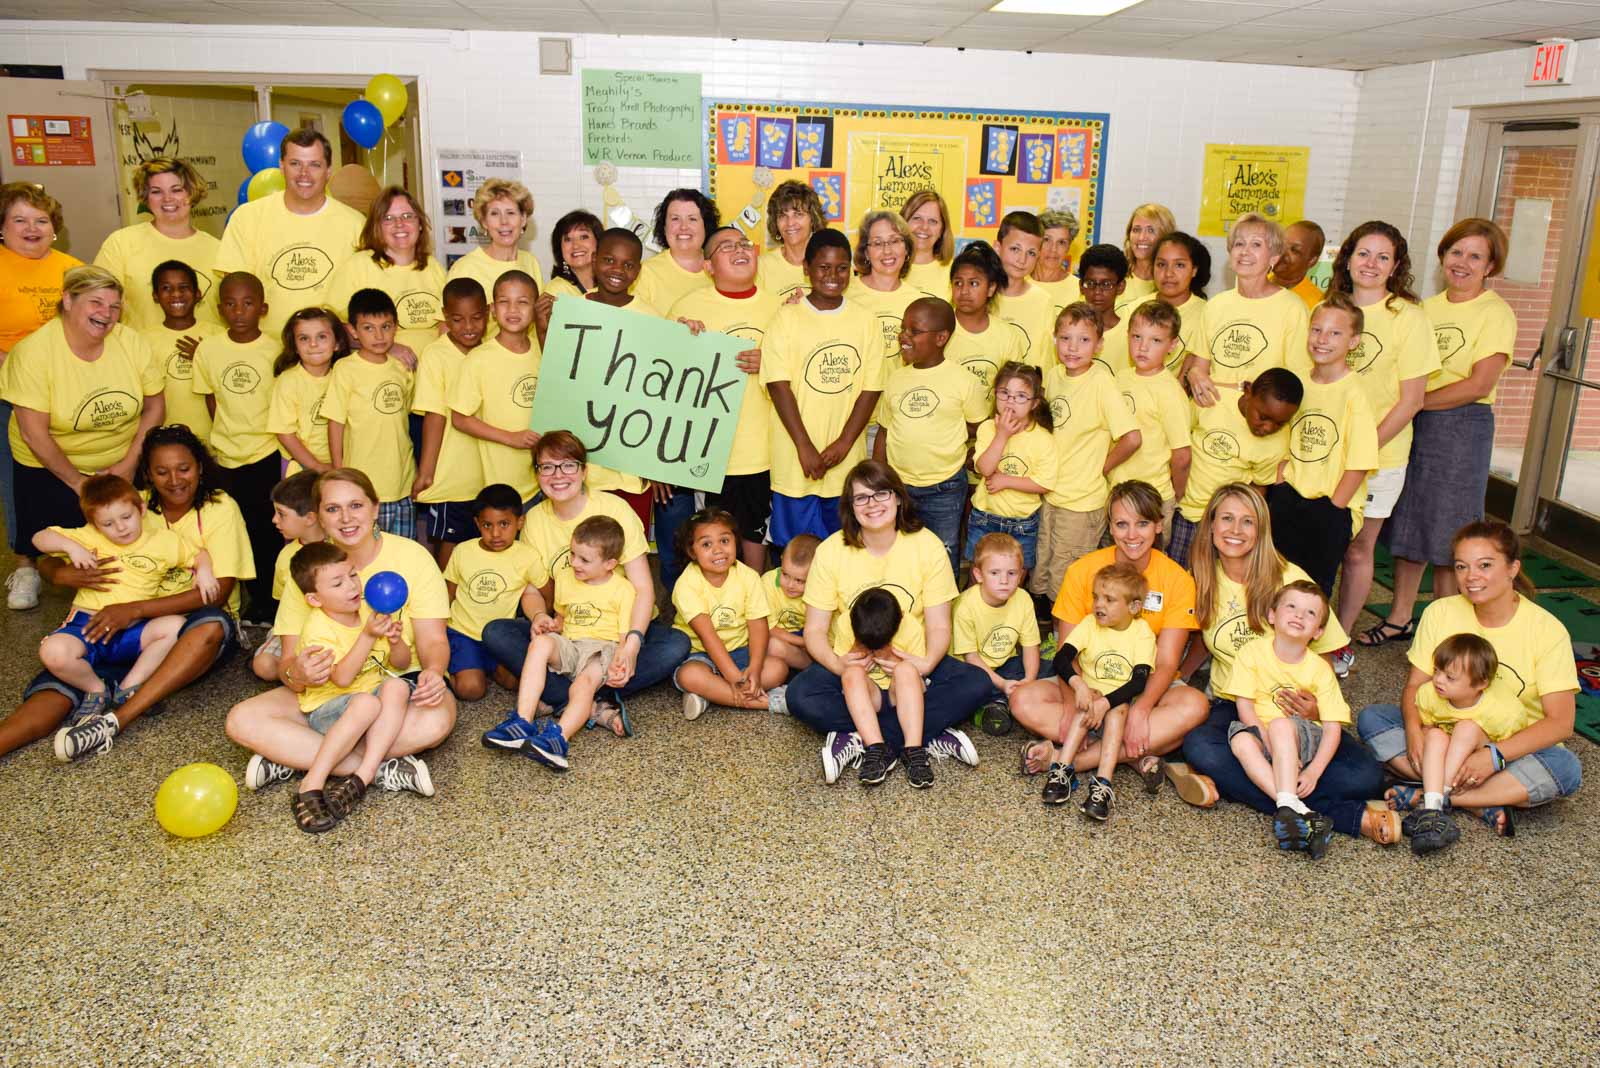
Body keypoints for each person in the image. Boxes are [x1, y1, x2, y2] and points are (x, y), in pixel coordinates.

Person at [9, 425, 251, 763]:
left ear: (200, 466)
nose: (175, 480)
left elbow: (217, 592)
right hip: (106, 622)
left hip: (179, 623)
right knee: (53, 690)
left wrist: (134, 610)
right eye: (161, 471)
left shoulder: (219, 507)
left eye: (184, 468)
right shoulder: (127, 503)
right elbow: (51, 553)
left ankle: (118, 718)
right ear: (147, 475)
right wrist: (63, 574)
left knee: (210, 626)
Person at [1178, 482, 1396, 845]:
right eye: (1227, 519)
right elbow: (1204, 635)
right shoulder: (1201, 577)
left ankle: (1268, 793)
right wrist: (1181, 678)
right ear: (1211, 526)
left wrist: (1314, 705)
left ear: (1261, 530)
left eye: (1247, 522)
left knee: (1366, 776)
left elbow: (1324, 650)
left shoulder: (1290, 580)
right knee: (1201, 746)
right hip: (1236, 703)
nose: (1235, 530)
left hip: (1292, 707)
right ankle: (1342, 815)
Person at [225, 467, 454, 797]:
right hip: (332, 693)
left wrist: (434, 672)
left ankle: (295, 756)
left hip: (398, 683)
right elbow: (287, 664)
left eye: (356, 506)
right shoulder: (307, 568)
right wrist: (297, 672)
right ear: (318, 515)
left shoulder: (413, 557)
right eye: (333, 509)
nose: (346, 518)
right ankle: (375, 768)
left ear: (375, 509)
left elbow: (433, 641)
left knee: (435, 722)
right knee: (241, 720)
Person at [1358, 520, 1581, 839]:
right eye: (1461, 566)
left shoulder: (1547, 630)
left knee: (1566, 768)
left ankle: (1430, 797)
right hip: (1443, 735)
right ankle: (1478, 798)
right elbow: (1414, 687)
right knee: (1372, 719)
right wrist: (1413, 730)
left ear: (1512, 568)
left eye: (1485, 565)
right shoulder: (1440, 612)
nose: (1471, 577)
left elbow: (1560, 723)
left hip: (1512, 747)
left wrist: (1494, 755)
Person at [789, 460, 988, 785]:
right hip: (855, 667)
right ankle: (921, 736)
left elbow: (939, 627)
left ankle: (867, 742)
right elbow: (814, 631)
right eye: (862, 498)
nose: (873, 504)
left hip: (910, 664)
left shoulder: (927, 546)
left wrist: (924, 664)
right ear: (850, 508)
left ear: (898, 497)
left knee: (976, 683)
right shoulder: (831, 551)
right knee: (801, 697)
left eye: (881, 493)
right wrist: (839, 665)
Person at [1367, 219, 1516, 648]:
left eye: (1475, 256)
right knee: (1411, 522)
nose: (1462, 263)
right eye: (1456, 252)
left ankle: (1447, 631)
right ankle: (1400, 618)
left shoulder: (1495, 313)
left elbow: (1478, 384)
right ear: (1442, 257)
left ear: (1490, 267)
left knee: (1452, 530)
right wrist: (1407, 406)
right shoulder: (1424, 310)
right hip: (1416, 424)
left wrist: (1413, 402)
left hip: (1462, 426)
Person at [1013, 481, 1210, 794]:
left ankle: (1066, 760)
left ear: (1159, 525)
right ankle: (1133, 754)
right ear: (1110, 526)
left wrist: (1142, 709)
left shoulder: (1177, 579)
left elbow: (1168, 660)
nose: (1132, 535)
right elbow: (1068, 650)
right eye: (1122, 524)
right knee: (1022, 701)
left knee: (1196, 706)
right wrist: (1070, 706)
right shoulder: (1083, 570)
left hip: (1143, 682)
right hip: (1090, 682)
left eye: (1142, 523)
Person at [480, 432, 690, 715]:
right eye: (547, 467)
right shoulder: (534, 521)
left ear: (584, 471)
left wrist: (631, 646)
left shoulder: (614, 508)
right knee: (497, 632)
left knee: (676, 645)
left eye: (568, 465)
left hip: (619, 631)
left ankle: (563, 696)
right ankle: (591, 701)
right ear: (537, 474)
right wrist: (539, 616)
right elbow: (532, 590)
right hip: (569, 632)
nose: (558, 475)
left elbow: (642, 587)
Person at [4, 266, 164, 614]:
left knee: (129, 534)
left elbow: (155, 407)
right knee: (49, 545)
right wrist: (79, 484)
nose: (106, 314)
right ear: (67, 300)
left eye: (114, 306)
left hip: (119, 457)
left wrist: (129, 463)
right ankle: (27, 570)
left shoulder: (131, 342)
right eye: (96, 302)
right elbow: (34, 432)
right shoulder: (33, 353)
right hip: (50, 461)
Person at [1322, 222, 1437, 673]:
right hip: (1322, 452)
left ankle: (1340, 638)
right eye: (1363, 253)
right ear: (1347, 258)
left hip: (1380, 456)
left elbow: (1412, 400)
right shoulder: (1331, 309)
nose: (1370, 264)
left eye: (1382, 257)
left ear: (1396, 267)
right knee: (1318, 543)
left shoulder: (1408, 318)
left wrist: (1361, 450)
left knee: (1356, 548)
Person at [33, 474, 213, 751]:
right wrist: (72, 547)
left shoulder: (163, 541)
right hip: (86, 624)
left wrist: (205, 573)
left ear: (141, 509)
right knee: (52, 652)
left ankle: (130, 687)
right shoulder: (88, 537)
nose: (120, 528)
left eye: (126, 517)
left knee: (176, 626)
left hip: (134, 628)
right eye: (107, 523)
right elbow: (39, 538)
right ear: (95, 524)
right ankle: (96, 689)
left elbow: (198, 554)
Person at [666, 227, 781, 573]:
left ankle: (755, 604)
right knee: (713, 537)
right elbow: (666, 380)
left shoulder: (781, 308)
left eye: (744, 243)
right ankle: (717, 607)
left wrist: (771, 363)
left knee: (756, 534)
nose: (739, 250)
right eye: (725, 247)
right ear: (708, 266)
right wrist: (683, 342)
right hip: (710, 451)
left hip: (763, 448)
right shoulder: (686, 310)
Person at [761, 229, 883, 546]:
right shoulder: (785, 319)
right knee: (793, 548)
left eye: (841, 267)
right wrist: (804, 446)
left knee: (843, 548)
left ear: (852, 269)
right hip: (794, 462)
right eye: (823, 267)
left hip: (845, 463)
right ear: (807, 268)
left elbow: (870, 390)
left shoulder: (866, 321)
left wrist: (844, 443)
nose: (832, 275)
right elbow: (778, 386)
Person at [286, 541, 414, 833]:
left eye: (353, 575)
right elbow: (342, 679)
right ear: (315, 599)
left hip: (368, 700)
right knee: (369, 703)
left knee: (397, 687)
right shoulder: (318, 628)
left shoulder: (372, 609)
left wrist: (395, 640)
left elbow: (402, 663)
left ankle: (363, 777)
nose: (351, 586)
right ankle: (311, 784)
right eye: (338, 583)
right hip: (328, 708)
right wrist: (368, 636)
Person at [1, 182, 83, 608]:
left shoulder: (72, 269)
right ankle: (26, 566)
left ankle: (80, 549)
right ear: (3, 227)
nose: (31, 228)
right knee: (20, 476)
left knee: (74, 465)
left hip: (70, 385)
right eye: (20, 220)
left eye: (41, 220)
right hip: (11, 390)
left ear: (55, 227)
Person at [1264, 293, 1378, 596]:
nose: (1322, 339)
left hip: (1329, 507)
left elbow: (1360, 462)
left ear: (1353, 342)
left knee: (1312, 590)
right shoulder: (1298, 383)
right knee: (1277, 580)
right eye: (1317, 329)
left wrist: (1333, 507)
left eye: (1335, 333)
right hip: (1289, 497)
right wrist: (1279, 486)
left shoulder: (1355, 394)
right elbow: (1283, 439)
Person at [1225, 580, 1346, 859]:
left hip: (1301, 737)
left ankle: (1292, 807)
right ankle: (1296, 810)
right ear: (1271, 615)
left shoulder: (1320, 670)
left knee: (1281, 724)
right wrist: (1268, 745)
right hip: (1262, 731)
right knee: (1241, 740)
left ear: (1318, 632)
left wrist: (1314, 770)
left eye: (1310, 613)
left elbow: (1332, 727)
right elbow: (1245, 706)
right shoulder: (1252, 652)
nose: (1299, 615)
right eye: (1291, 606)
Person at [1030, 303, 1140, 602]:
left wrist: (1101, 467)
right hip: (1050, 493)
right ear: (1054, 339)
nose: (1073, 347)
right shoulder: (1052, 376)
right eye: (1065, 338)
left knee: (1068, 576)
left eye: (1084, 340)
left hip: (1081, 502)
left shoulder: (1102, 383)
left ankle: (1063, 638)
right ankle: (1043, 631)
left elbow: (1131, 438)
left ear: (1099, 344)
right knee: (1044, 567)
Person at [508, 515, 637, 770]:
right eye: (573, 554)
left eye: (584, 560)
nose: (574, 563)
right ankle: (522, 721)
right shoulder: (567, 578)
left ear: (610, 563)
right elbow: (562, 617)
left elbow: (624, 638)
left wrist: (620, 662)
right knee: (540, 644)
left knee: (582, 686)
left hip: (601, 647)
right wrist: (551, 625)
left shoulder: (623, 589)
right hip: (571, 644)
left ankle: (558, 739)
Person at [872, 296, 987, 573]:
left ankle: (941, 610)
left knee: (943, 552)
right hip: (899, 487)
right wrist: (877, 476)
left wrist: (965, 444)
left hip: (944, 489)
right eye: (903, 329)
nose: (904, 336)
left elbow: (981, 426)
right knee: (900, 554)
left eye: (914, 331)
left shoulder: (962, 380)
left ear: (941, 338)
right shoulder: (896, 378)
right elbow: (885, 431)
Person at [213, 127, 363, 336]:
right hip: (266, 349)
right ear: (281, 167)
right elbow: (233, 292)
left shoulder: (356, 225)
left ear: (328, 170)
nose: (304, 174)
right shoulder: (246, 218)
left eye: (315, 165)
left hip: (333, 351)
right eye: (295, 164)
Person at [193, 271, 280, 624]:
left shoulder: (276, 349)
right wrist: (225, 435)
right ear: (219, 309)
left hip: (267, 451)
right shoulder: (209, 349)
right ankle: (244, 601)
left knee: (267, 531)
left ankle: (270, 603)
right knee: (234, 529)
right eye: (230, 304)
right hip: (227, 456)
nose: (239, 311)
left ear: (263, 308)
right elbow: (212, 400)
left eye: (247, 303)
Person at [1039, 562, 1157, 821]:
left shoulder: (1142, 633)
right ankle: (1062, 772)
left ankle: (1102, 785)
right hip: (1091, 700)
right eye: (1096, 597)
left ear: (1134, 607)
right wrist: (1079, 685)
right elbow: (1061, 660)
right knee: (1088, 701)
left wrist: (1106, 702)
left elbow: (1138, 682)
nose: (1098, 605)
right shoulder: (1089, 624)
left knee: (1116, 709)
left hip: (1119, 704)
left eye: (1109, 599)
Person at [1401, 633, 1529, 853]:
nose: (1438, 680)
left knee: (1467, 727)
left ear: (1480, 683)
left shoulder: (1503, 711)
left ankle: (1433, 797)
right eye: (1436, 671)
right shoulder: (1429, 693)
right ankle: (1436, 806)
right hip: (1447, 760)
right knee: (1432, 735)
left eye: (1450, 677)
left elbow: (1509, 749)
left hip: (1477, 765)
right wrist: (1426, 736)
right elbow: (1426, 728)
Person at [1168, 369, 1302, 568]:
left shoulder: (1278, 444)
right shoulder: (1211, 401)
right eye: (1263, 416)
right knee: (1177, 575)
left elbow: (1258, 488)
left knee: (1212, 579)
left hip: (1225, 523)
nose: (1268, 428)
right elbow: (1178, 444)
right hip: (1186, 511)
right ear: (1248, 392)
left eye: (1279, 423)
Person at [672, 507, 789, 718]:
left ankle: (711, 696)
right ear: (692, 552)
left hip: (739, 651)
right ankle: (765, 703)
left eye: (725, 541)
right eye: (706, 544)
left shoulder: (749, 577)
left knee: (778, 669)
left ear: (736, 542)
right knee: (689, 676)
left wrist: (753, 667)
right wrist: (734, 678)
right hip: (701, 654)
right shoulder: (686, 584)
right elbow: (707, 636)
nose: (718, 550)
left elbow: (757, 625)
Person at [1187, 212, 1310, 404]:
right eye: (1239, 243)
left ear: (1274, 258)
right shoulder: (1215, 306)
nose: (1245, 251)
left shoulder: (1293, 309)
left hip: (1261, 422)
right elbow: (1199, 366)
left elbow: (1296, 383)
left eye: (1256, 244)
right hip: (1211, 418)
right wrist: (1194, 374)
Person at [326, 288, 416, 537]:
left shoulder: (402, 367)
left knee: (400, 554)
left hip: (402, 484)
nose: (379, 335)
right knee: (363, 553)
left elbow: (403, 417)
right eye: (368, 328)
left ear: (396, 327)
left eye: (386, 326)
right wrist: (338, 470)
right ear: (353, 331)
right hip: (361, 485)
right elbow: (335, 422)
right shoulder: (345, 369)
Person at [441, 483, 542, 703]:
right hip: (463, 633)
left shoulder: (527, 556)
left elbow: (547, 592)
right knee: (470, 690)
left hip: (500, 639)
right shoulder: (463, 551)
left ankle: (484, 667)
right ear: (477, 523)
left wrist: (541, 622)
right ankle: (457, 670)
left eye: (504, 524)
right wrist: (438, 635)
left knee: (517, 683)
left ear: (520, 522)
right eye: (487, 525)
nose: (495, 533)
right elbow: (447, 595)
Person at [93, 158, 220, 333]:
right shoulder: (120, 244)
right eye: (156, 192)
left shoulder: (218, 248)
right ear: (146, 198)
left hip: (207, 355)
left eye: (176, 190)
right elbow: (98, 307)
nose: (167, 199)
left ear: (191, 193)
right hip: (144, 357)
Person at [413, 277, 489, 566]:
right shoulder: (436, 354)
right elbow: (434, 415)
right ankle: (443, 603)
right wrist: (426, 471)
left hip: (485, 472)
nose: (468, 327)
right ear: (445, 316)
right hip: (451, 473)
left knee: (484, 542)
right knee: (452, 541)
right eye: (458, 319)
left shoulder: (491, 349)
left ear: (489, 313)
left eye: (476, 318)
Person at [449, 270, 541, 508]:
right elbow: (460, 418)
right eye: (504, 302)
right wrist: (510, 438)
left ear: (534, 308)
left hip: (545, 481)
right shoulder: (478, 359)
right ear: (492, 309)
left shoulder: (544, 352)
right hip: (503, 488)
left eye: (522, 302)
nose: (513, 310)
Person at [324, 186, 445, 359]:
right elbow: (332, 327)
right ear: (377, 228)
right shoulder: (358, 266)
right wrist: (386, 347)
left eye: (407, 216)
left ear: (419, 224)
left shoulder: (434, 267)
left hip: (432, 373)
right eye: (388, 218)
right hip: (381, 374)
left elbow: (449, 324)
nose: (399, 224)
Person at [1109, 300, 1190, 538]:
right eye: (1137, 337)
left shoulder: (1170, 392)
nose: (1143, 347)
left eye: (1155, 340)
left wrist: (1176, 495)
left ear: (1172, 345)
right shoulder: (1120, 378)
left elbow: (1182, 455)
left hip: (1152, 496)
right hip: (1115, 491)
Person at [968, 361, 1055, 572]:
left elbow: (1044, 483)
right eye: (1004, 393)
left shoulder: (1043, 439)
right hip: (984, 518)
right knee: (979, 572)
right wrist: (1002, 435)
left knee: (1017, 576)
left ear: (1034, 403)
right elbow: (985, 469)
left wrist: (1005, 481)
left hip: (1022, 523)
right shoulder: (989, 429)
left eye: (1020, 397)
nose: (1010, 402)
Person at [953, 532, 1042, 731]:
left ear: (1021, 575)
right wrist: (1002, 684)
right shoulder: (964, 606)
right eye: (994, 573)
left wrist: (1029, 680)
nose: (1004, 581)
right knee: (971, 686)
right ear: (978, 575)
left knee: (1050, 669)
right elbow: (971, 657)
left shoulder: (1023, 599)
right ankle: (993, 705)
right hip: (971, 668)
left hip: (1006, 664)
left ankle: (1000, 701)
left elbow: (1030, 647)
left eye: (1011, 573)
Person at [252, 469, 325, 682]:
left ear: (310, 518)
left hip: (333, 626)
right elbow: (281, 605)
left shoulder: (338, 548)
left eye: (281, 514)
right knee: (263, 666)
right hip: (293, 627)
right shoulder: (286, 556)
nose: (274, 520)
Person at [142, 260, 219, 444]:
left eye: (184, 288)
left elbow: (231, 389)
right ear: (155, 295)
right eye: (166, 288)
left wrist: (202, 360)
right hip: (162, 442)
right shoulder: (142, 340)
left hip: (215, 442)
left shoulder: (218, 335)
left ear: (198, 294)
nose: (176, 294)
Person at [269, 306, 351, 476]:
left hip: (342, 463)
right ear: (295, 346)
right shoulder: (288, 381)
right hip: (300, 467)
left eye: (321, 337)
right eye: (304, 338)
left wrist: (339, 464)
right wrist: (317, 466)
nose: (313, 344)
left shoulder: (345, 375)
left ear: (337, 343)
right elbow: (285, 434)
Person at [445, 179, 546, 308]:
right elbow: (446, 325)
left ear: (523, 219)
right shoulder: (464, 268)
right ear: (484, 222)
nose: (504, 221)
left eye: (510, 213)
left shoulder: (531, 263)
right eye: (494, 213)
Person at [946, 240, 1027, 391]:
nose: (964, 291)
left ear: (991, 288)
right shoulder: (938, 328)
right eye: (958, 283)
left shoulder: (1007, 336)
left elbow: (1015, 389)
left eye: (974, 283)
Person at [852, 210, 927, 362]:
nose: (887, 251)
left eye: (894, 241)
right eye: (877, 243)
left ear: (906, 248)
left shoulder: (919, 303)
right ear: (866, 252)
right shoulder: (846, 295)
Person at [633, 188, 716, 312]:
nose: (683, 226)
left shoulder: (722, 268)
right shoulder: (644, 273)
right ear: (664, 226)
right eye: (675, 219)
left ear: (706, 226)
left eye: (692, 219)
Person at [992, 211, 1054, 366]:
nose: (1022, 260)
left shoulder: (1043, 301)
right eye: (1015, 249)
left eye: (1031, 253)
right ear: (997, 247)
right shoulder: (980, 295)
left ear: (1038, 256)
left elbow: (1046, 359)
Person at [1152, 232, 1210, 378]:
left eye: (1179, 265)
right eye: (1161, 264)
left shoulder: (1208, 314)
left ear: (1194, 270)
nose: (1168, 273)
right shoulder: (1132, 309)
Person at [757, 179, 823, 300]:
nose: (790, 223)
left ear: (813, 219)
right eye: (782, 216)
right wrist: (786, 311)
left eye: (798, 214)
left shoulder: (832, 262)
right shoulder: (761, 266)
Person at [764, 533, 818, 672]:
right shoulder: (768, 582)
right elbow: (768, 629)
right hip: (780, 637)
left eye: (800, 581)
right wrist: (805, 643)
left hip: (809, 638)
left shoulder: (821, 589)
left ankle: (815, 670)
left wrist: (810, 642)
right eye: (785, 574)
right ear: (781, 560)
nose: (790, 585)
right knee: (772, 645)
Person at [1078, 243, 1130, 375]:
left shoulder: (1130, 335)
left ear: (1120, 286)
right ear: (1081, 286)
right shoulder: (1068, 332)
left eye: (1106, 284)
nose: (1097, 292)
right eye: (1090, 283)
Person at [1116, 203, 1174, 311]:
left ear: (1166, 236)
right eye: (1136, 230)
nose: (1142, 237)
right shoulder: (1115, 274)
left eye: (1151, 230)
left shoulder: (1171, 283)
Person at [901, 189, 954, 297]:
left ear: (942, 230)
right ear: (902, 222)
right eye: (917, 218)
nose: (924, 227)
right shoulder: (887, 267)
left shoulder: (956, 272)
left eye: (932, 221)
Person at [1030, 208, 1081, 315]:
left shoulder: (1079, 290)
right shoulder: (1017, 282)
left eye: (1062, 242)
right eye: (1046, 240)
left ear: (1068, 247)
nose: (1053, 249)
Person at [1269, 220, 1327, 310]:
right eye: (1281, 244)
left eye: (1294, 250)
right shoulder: (1255, 281)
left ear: (1312, 261)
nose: (1282, 252)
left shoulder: (1316, 305)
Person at [544, 208, 601, 299]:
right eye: (568, 239)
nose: (575, 245)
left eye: (583, 237)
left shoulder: (613, 284)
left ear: (598, 242)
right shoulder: (555, 291)